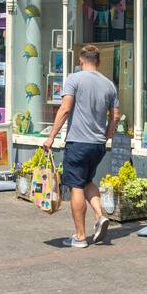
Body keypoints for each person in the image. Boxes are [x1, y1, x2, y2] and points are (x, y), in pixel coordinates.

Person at [44, 44, 120, 248]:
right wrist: (106, 137)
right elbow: (115, 116)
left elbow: (65, 108)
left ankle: (79, 237)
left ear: (81, 60)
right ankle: (100, 215)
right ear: (98, 61)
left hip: (78, 142)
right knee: (87, 181)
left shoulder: (74, 79)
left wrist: (51, 136)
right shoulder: (109, 85)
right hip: (97, 145)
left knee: (76, 186)